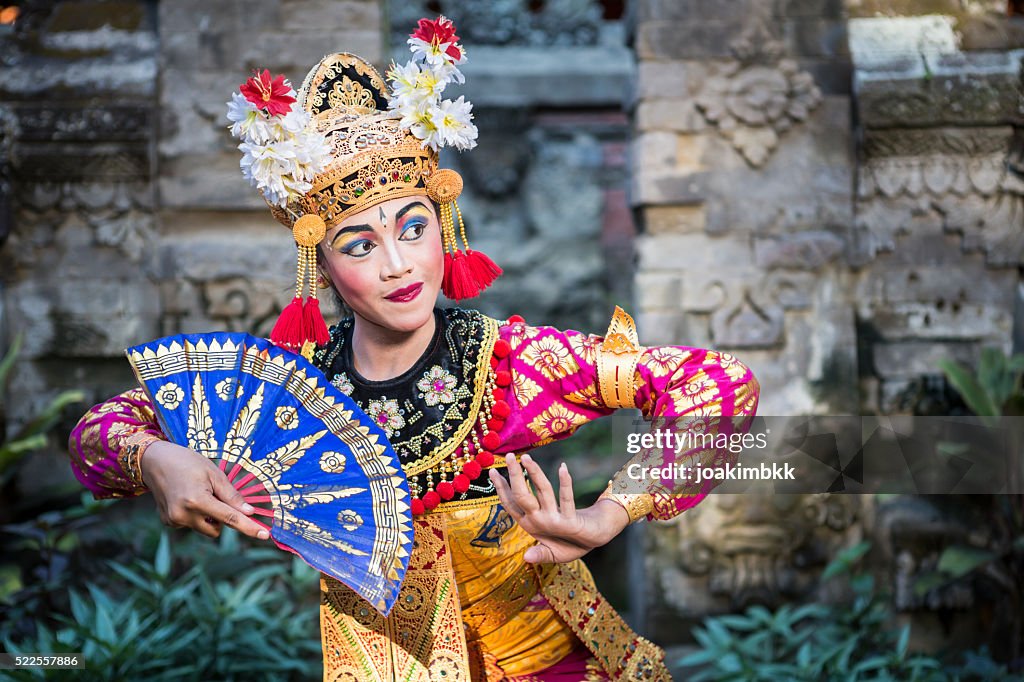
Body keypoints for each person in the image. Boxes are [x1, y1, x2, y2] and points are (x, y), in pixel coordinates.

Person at [67, 19, 759, 681]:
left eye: (413, 227)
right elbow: (96, 435)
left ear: (443, 227)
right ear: (324, 266)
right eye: (360, 245)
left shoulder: (507, 366)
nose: (399, 264)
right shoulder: (289, 394)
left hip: (554, 666)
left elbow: (718, 386)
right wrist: (156, 456)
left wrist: (611, 513)